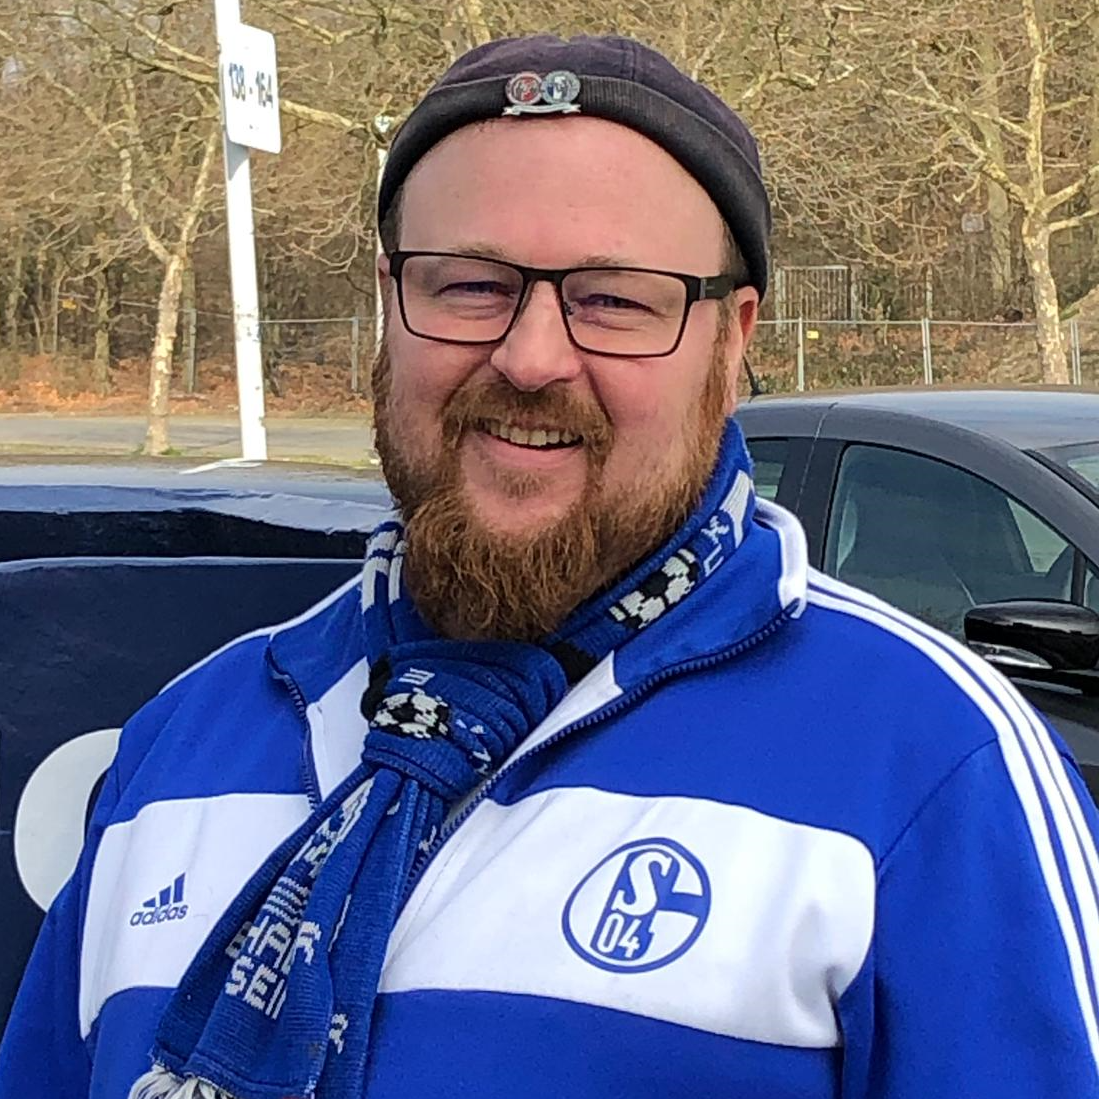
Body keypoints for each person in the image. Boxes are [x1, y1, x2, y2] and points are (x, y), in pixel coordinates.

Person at [2, 32, 1099, 1099]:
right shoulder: (182, 745)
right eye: (468, 285)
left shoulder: (933, 767)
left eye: (614, 298)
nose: (530, 358)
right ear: (388, 302)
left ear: (731, 341)